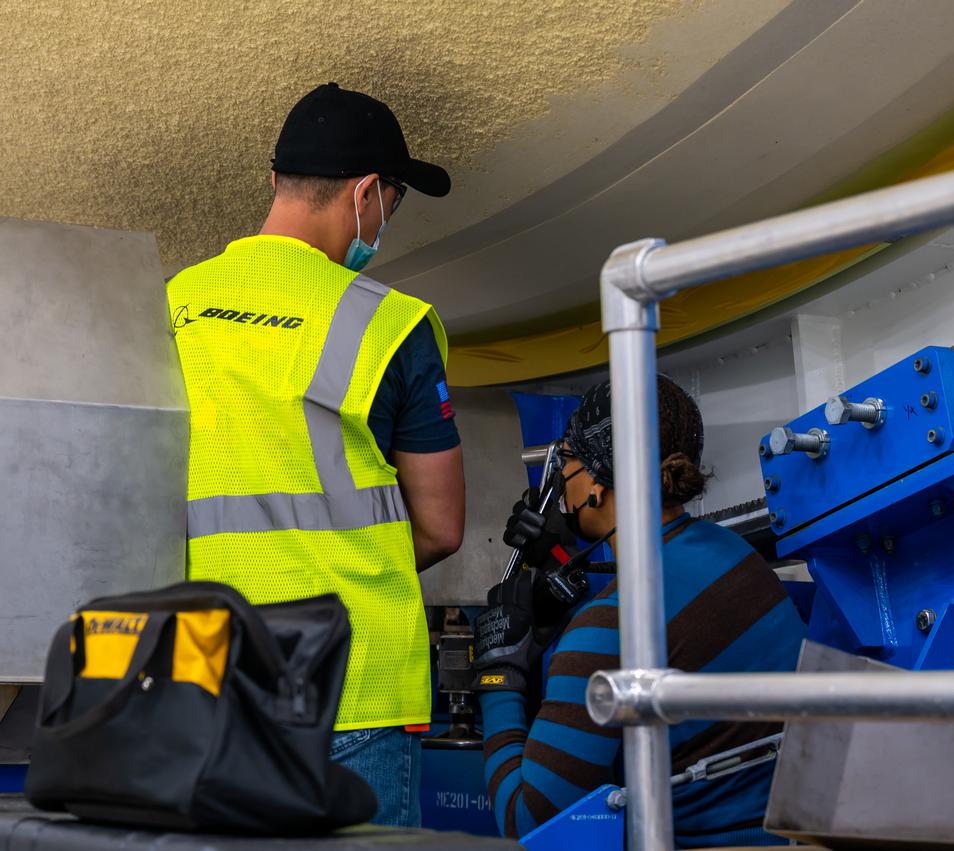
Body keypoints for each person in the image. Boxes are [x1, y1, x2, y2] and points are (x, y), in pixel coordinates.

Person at [165, 83, 465, 827]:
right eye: (393, 200)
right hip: (351, 683)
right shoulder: (391, 325)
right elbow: (440, 525)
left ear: (276, 181)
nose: (385, 220)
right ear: (367, 192)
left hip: (201, 678)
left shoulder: (172, 303)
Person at [472, 377, 806, 846]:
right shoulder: (731, 551)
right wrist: (561, 564)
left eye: (567, 458)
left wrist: (498, 679)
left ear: (594, 483)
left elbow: (531, 825)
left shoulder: (609, 627)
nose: (561, 476)